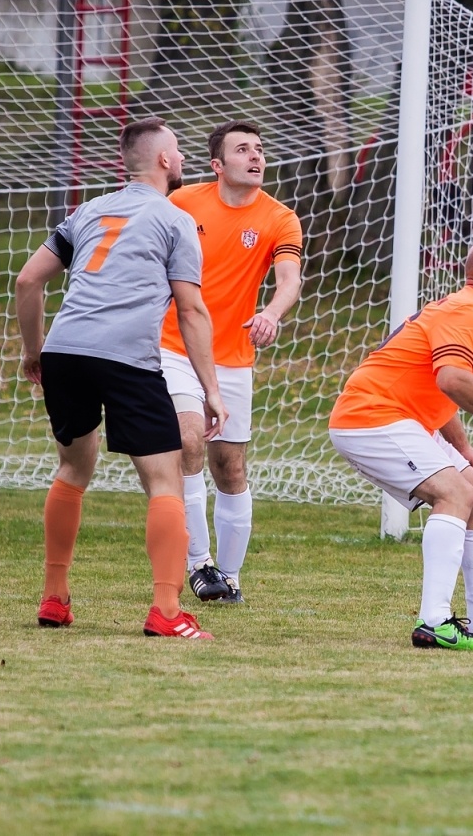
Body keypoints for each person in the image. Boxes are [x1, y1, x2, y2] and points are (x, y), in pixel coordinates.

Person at [15, 117, 228, 640]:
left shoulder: (88, 210)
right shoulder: (174, 219)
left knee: (72, 469)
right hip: (126, 357)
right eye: (178, 150)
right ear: (164, 160)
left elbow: (27, 280)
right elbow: (191, 310)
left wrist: (34, 352)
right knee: (165, 480)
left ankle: (54, 598)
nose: (183, 158)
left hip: (65, 351)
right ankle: (167, 611)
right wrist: (211, 391)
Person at [328, 237, 473, 651]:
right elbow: (453, 380)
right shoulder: (468, 310)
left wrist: (462, 448)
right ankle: (434, 622)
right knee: (456, 493)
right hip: (371, 417)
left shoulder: (471, 310)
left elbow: (434, 387)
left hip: (400, 418)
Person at [160, 122, 303, 604]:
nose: (256, 156)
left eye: (259, 149)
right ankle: (199, 563)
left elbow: (289, 279)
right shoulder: (182, 203)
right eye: (243, 150)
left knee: (230, 467)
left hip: (233, 357)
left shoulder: (280, 218)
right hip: (174, 346)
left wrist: (271, 313)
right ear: (217, 165)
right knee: (188, 440)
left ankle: (230, 577)